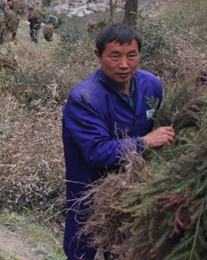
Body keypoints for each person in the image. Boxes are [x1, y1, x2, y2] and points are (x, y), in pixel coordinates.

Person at [62, 24, 176, 259]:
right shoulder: (85, 99)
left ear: (139, 55)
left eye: (131, 55)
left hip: (136, 193)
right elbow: (97, 153)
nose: (124, 65)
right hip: (91, 195)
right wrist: (144, 142)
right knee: (84, 251)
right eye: (115, 56)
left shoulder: (151, 85)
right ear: (98, 55)